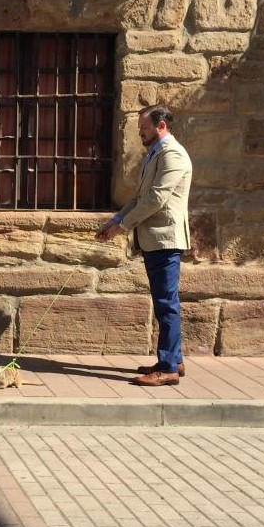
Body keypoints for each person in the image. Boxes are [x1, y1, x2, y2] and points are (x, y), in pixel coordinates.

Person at [96, 103, 193, 387]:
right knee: (165, 302)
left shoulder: (173, 154)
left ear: (161, 126)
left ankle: (168, 368)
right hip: (155, 239)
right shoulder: (156, 153)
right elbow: (140, 197)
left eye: (144, 128)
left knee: (166, 304)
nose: (140, 133)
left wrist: (124, 226)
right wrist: (115, 220)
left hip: (165, 239)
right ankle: (174, 360)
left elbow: (156, 199)